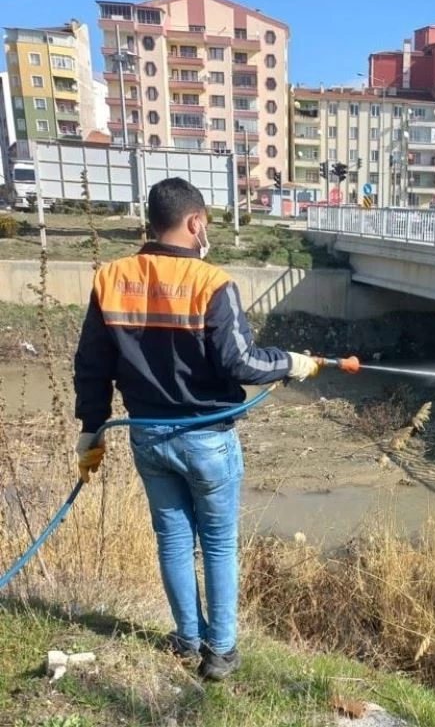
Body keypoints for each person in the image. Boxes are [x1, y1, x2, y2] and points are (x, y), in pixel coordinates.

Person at [73, 177, 319, 681]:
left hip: (147, 436)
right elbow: (242, 362)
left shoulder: (111, 277)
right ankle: (221, 652)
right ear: (195, 222)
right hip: (207, 439)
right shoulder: (211, 282)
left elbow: (92, 365)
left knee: (172, 541)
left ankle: (187, 640)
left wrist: (90, 430)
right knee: (220, 544)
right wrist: (292, 362)